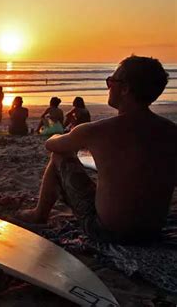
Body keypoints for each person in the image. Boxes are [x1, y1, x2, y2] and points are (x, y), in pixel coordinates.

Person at [17, 55, 176, 244]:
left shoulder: (97, 131)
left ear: (125, 88)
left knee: (60, 154)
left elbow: (51, 145)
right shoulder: (172, 131)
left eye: (111, 81)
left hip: (108, 232)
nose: (108, 86)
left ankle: (39, 214)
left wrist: (56, 135)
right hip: (152, 231)